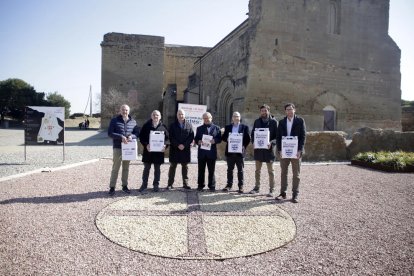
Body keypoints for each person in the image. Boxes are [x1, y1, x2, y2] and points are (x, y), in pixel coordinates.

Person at [276, 103, 306, 203]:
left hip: (296, 152)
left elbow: (303, 136)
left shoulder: (300, 121)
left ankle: (295, 195)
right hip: (284, 151)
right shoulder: (281, 122)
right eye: (287, 109)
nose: (289, 111)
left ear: (294, 110)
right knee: (283, 173)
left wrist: (300, 150)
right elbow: (278, 137)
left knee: (296, 174)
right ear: (285, 111)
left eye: (291, 109)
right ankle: (283, 193)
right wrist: (279, 150)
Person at [108, 104, 139, 196]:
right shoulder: (114, 121)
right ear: (120, 111)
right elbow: (110, 133)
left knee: (126, 168)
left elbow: (137, 133)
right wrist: (120, 137)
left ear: (129, 111)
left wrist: (131, 136)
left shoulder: (133, 122)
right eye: (123, 110)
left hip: (128, 148)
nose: (124, 111)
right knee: (115, 168)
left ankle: (124, 186)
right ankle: (112, 187)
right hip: (118, 147)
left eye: (126, 110)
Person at [250, 104, 278, 197]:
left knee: (271, 171)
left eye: (265, 111)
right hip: (258, 150)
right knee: (257, 170)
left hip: (269, 150)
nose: (264, 112)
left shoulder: (274, 122)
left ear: (268, 111)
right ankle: (256, 188)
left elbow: (278, 137)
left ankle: (272, 190)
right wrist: (253, 142)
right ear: (260, 112)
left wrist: (272, 143)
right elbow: (253, 134)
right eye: (262, 111)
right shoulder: (257, 121)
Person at [138, 110, 169, 193]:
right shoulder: (146, 126)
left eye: (157, 115)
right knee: (146, 169)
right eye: (154, 115)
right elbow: (141, 137)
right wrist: (146, 144)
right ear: (151, 116)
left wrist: (165, 145)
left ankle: (156, 185)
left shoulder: (164, 127)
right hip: (148, 151)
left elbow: (167, 139)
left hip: (158, 153)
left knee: (157, 169)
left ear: (160, 117)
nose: (156, 116)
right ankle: (144, 185)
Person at [221, 112, 251, 193]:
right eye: (234, 116)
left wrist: (243, 146)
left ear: (240, 117)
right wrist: (227, 139)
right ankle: (229, 185)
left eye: (237, 116)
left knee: (240, 170)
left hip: (240, 152)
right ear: (232, 118)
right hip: (230, 152)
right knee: (230, 170)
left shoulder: (244, 127)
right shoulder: (228, 127)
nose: (236, 118)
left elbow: (248, 139)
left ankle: (241, 186)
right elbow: (223, 138)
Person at [167, 109, 194, 190]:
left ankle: (185, 184)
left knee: (185, 167)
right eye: (179, 114)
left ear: (184, 115)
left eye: (182, 114)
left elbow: (191, 137)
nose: (181, 116)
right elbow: (171, 137)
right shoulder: (172, 125)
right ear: (177, 115)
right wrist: (178, 145)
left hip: (185, 150)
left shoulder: (189, 125)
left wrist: (184, 145)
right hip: (175, 149)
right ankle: (170, 184)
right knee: (172, 167)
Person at [194, 112, 221, 192]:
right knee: (201, 170)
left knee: (211, 170)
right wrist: (198, 141)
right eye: (204, 118)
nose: (206, 120)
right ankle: (200, 185)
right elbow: (196, 139)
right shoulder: (199, 128)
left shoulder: (216, 128)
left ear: (211, 118)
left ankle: (212, 186)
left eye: (207, 118)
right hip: (202, 153)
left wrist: (214, 140)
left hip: (211, 153)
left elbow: (219, 138)